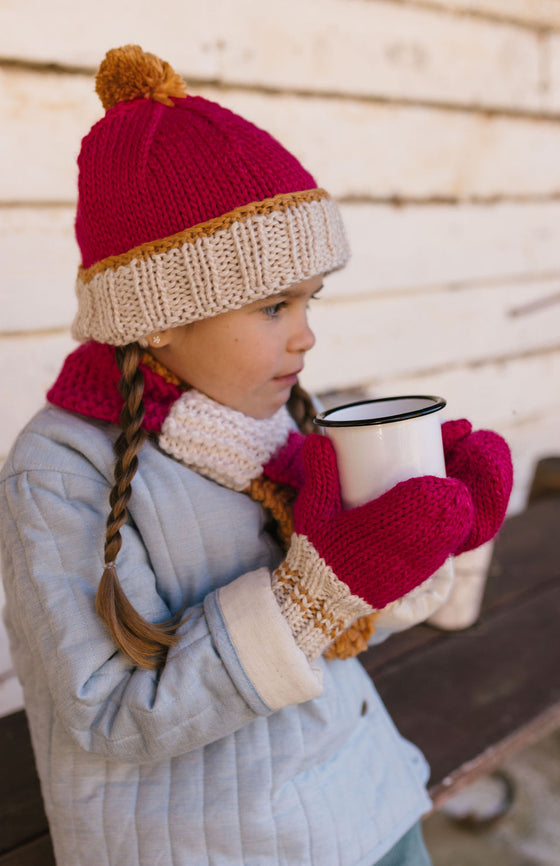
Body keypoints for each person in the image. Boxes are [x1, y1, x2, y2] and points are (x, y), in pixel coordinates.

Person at [0, 45, 513, 866]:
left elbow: (338, 638)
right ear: (158, 314)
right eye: (275, 304)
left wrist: (413, 543)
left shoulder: (262, 420)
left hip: (364, 797)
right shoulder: (61, 473)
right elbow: (106, 713)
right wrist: (308, 598)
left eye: (312, 298)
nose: (307, 333)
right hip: (229, 843)